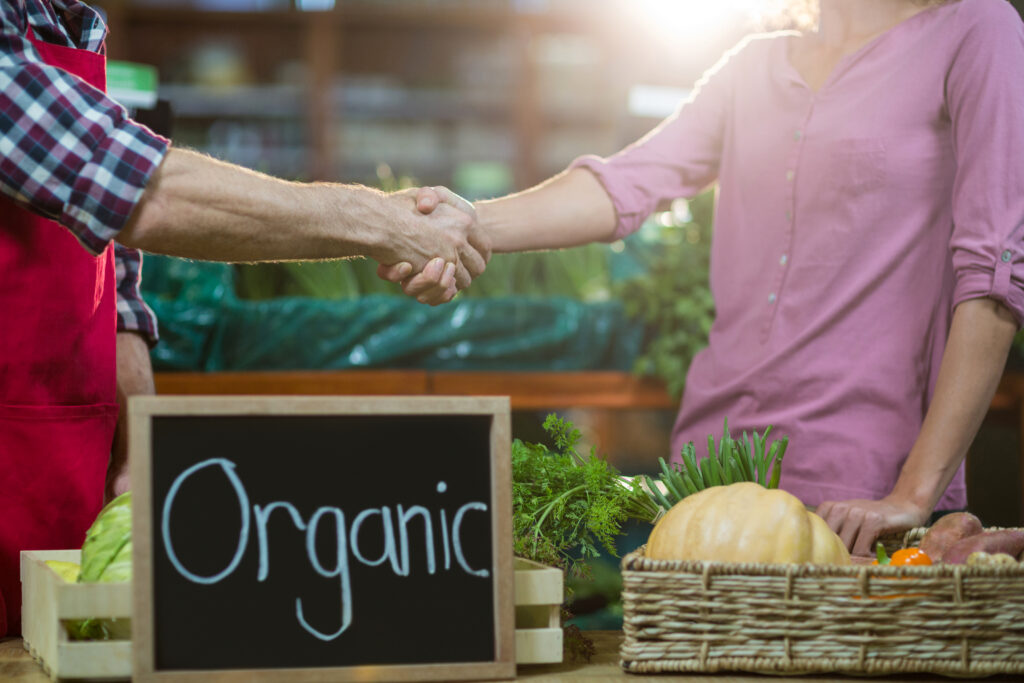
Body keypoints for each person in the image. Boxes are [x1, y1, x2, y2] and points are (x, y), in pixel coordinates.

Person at [383, 0, 1024, 556]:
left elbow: (994, 273)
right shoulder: (753, 66)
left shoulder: (975, 30)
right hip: (709, 482)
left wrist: (912, 493)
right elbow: (627, 183)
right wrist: (468, 223)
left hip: (860, 496)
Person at [0, 0, 488, 637]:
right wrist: (380, 221)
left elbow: (103, 251)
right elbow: (127, 184)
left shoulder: (60, 14)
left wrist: (137, 439)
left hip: (55, 468)